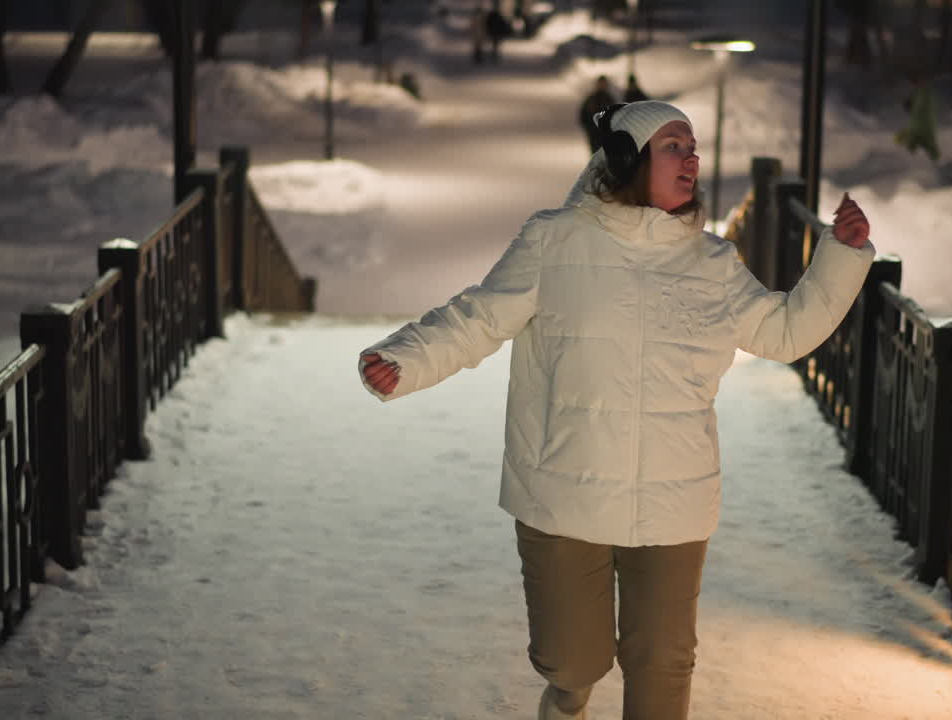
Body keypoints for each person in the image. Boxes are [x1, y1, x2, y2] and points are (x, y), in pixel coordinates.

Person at [359, 101, 875, 720]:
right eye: (673, 146)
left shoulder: (713, 263)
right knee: (572, 660)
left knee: (663, 662)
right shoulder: (554, 240)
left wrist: (840, 258)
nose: (693, 159)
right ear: (627, 159)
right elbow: (479, 317)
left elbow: (787, 332)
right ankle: (567, 698)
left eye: (693, 147)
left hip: (673, 498)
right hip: (562, 490)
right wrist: (406, 358)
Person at [577, 76, 616, 153]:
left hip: (605, 133)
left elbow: (615, 113)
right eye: (600, 83)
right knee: (595, 154)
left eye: (603, 83)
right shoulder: (591, 99)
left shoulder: (609, 99)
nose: (602, 85)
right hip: (593, 133)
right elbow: (583, 114)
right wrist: (587, 128)